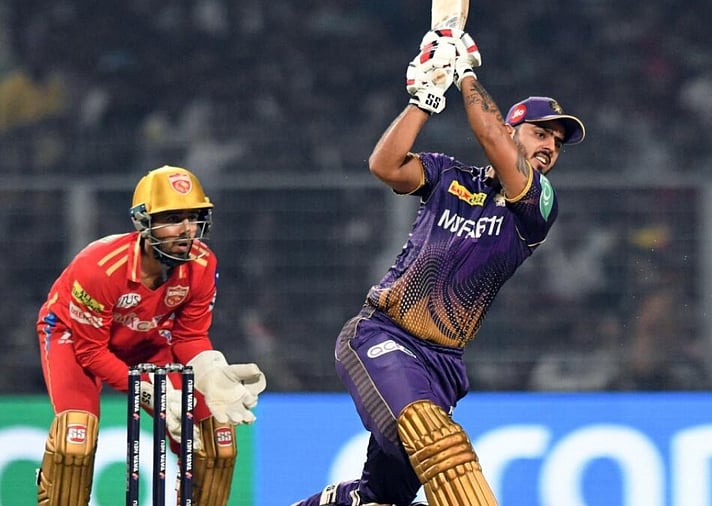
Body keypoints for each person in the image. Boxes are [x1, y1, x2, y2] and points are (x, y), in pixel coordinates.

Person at [290, 28, 585, 506]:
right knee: (443, 447)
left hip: (442, 366)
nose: (551, 145)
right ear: (515, 128)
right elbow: (385, 166)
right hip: (382, 335)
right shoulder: (449, 174)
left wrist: (464, 71)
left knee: (378, 497)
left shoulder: (537, 205)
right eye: (540, 132)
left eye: (557, 141)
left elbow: (489, 134)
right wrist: (425, 99)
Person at [34, 165, 266, 505]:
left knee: (216, 442)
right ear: (144, 222)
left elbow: (189, 337)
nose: (187, 230)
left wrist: (212, 371)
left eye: (194, 217)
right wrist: (146, 391)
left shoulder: (202, 264)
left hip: (148, 338)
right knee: (74, 442)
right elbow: (92, 353)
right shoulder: (99, 267)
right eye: (173, 217)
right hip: (75, 336)